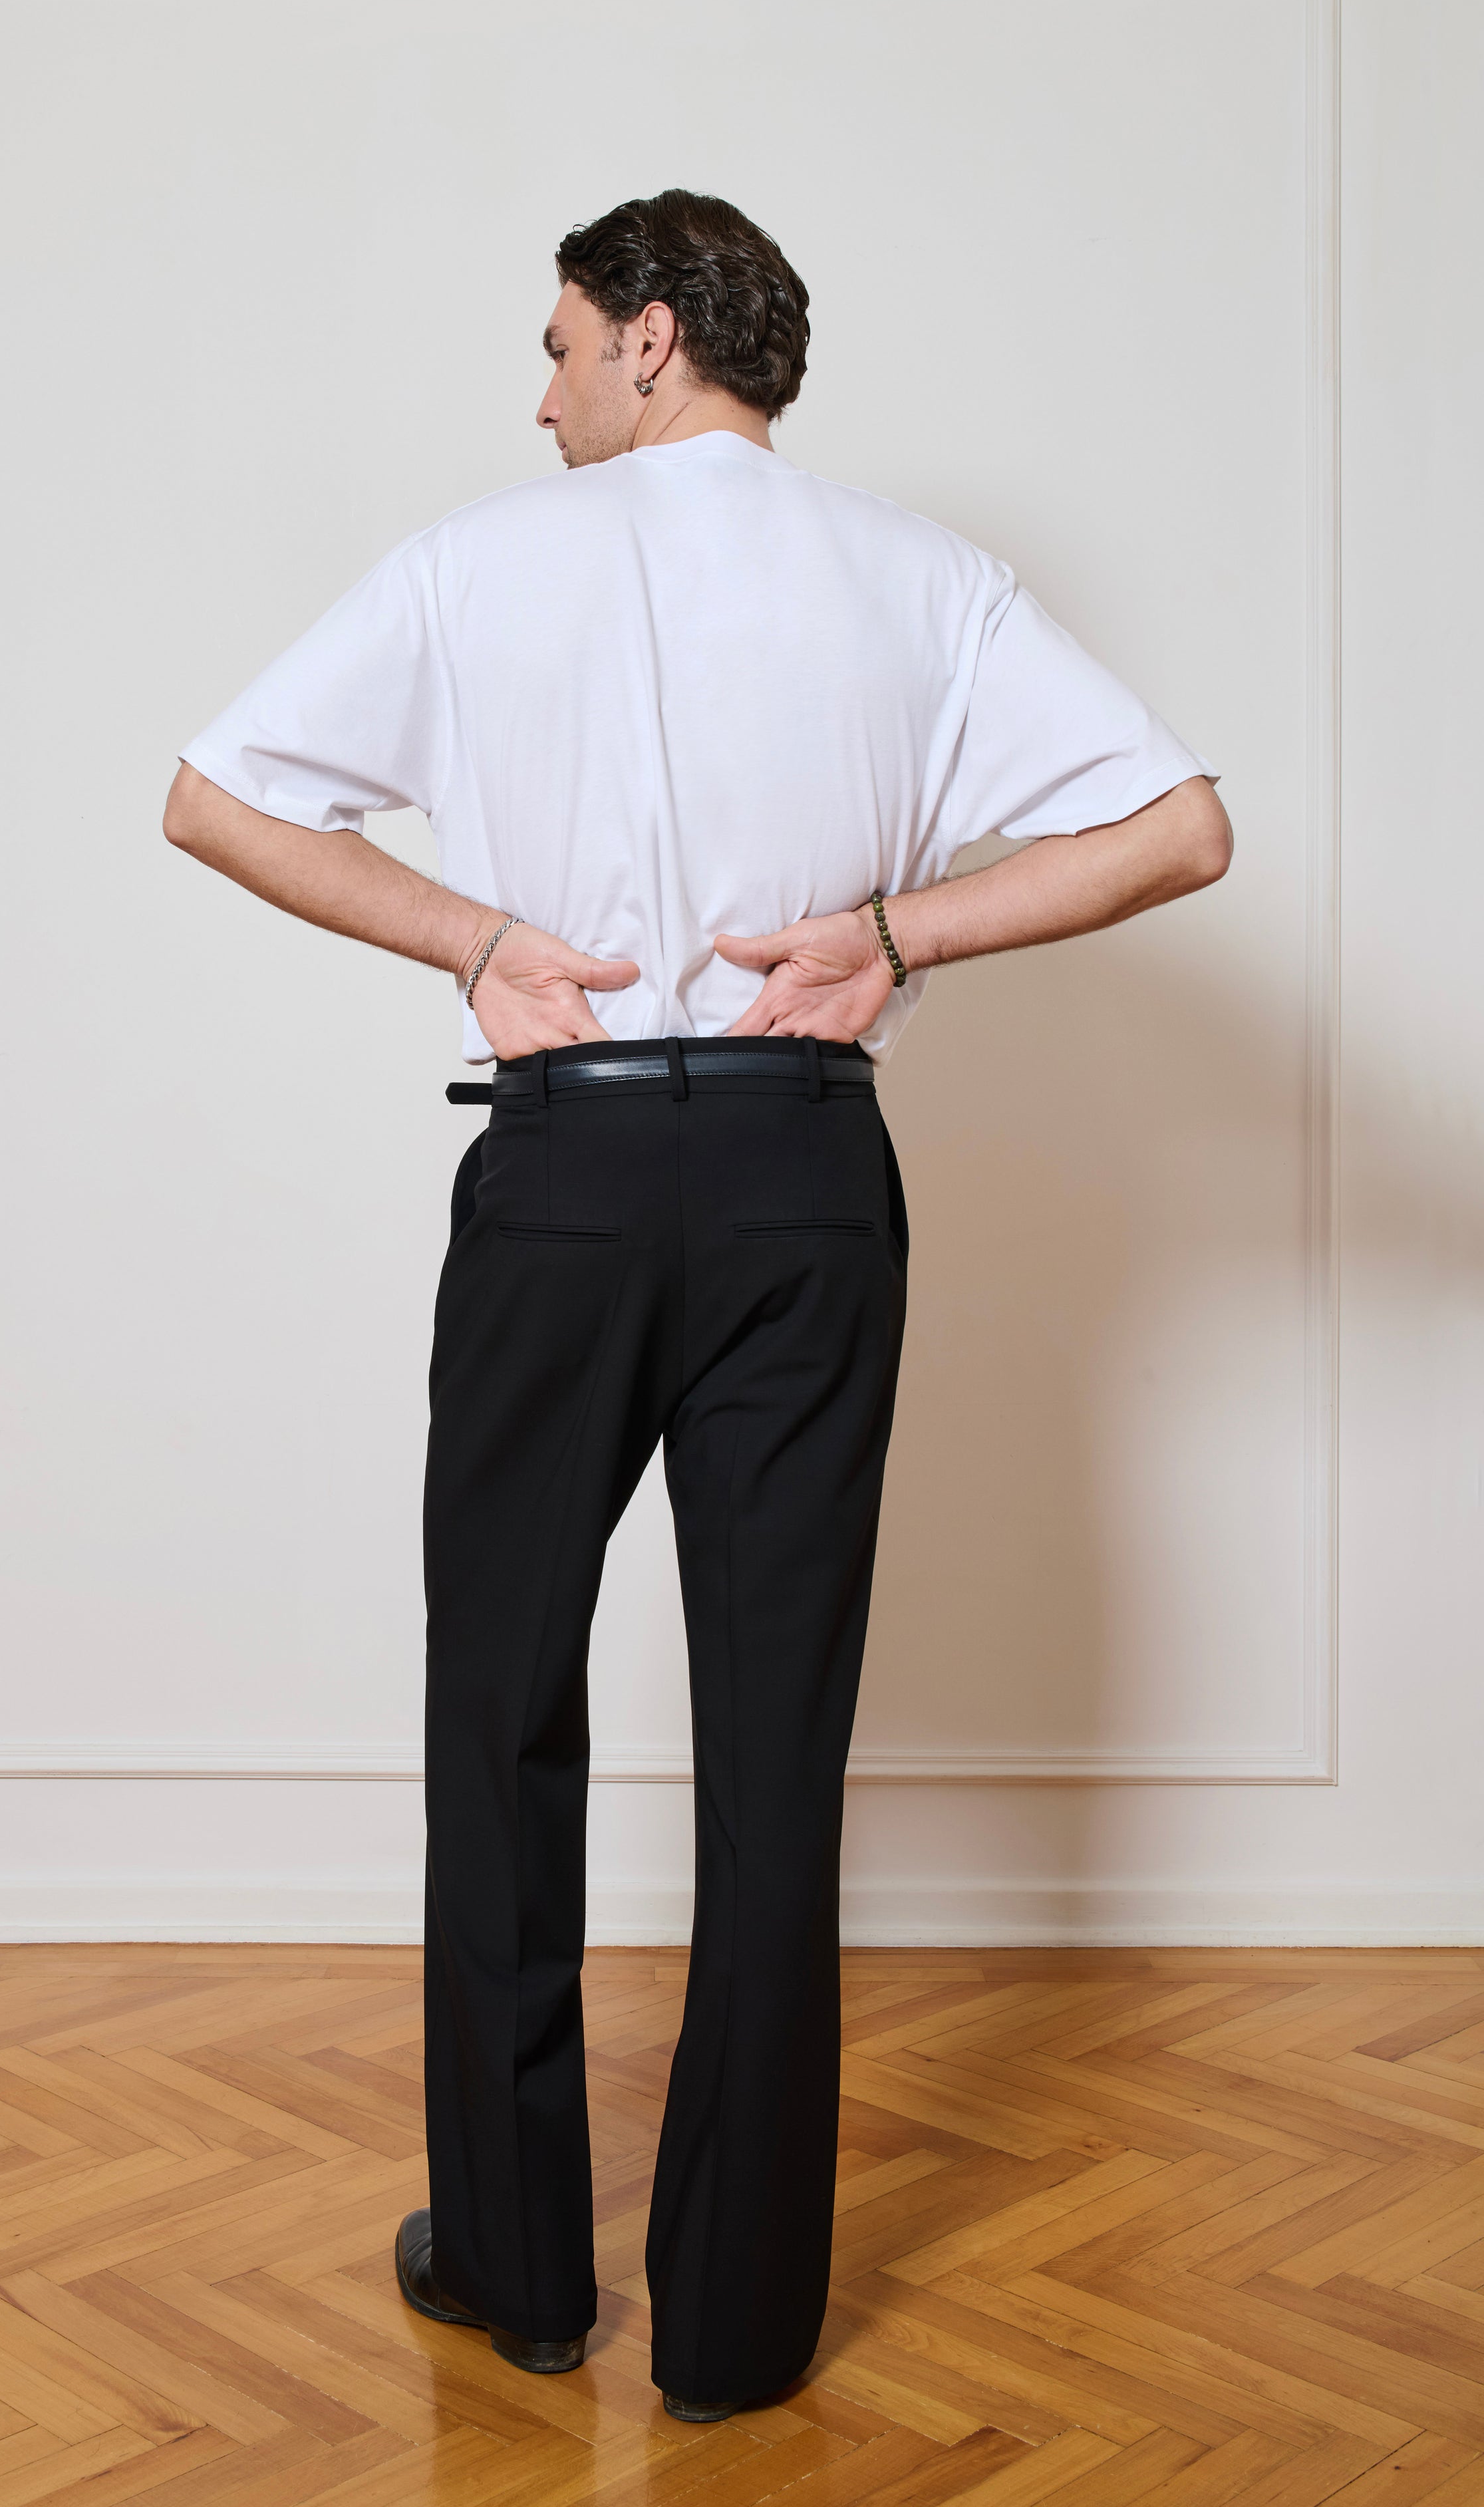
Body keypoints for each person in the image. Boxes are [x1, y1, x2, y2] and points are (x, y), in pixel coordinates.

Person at [164, 188, 1231, 2421]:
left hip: (563, 1172)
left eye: (560, 343)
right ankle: (737, 2328)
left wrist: (480, 942)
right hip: (803, 1173)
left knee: (502, 1711)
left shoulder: (479, 563)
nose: (542, 389)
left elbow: (214, 799)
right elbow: (1178, 829)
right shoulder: (926, 576)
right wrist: (898, 937)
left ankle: (519, 2268)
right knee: (775, 1755)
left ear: (653, 340)